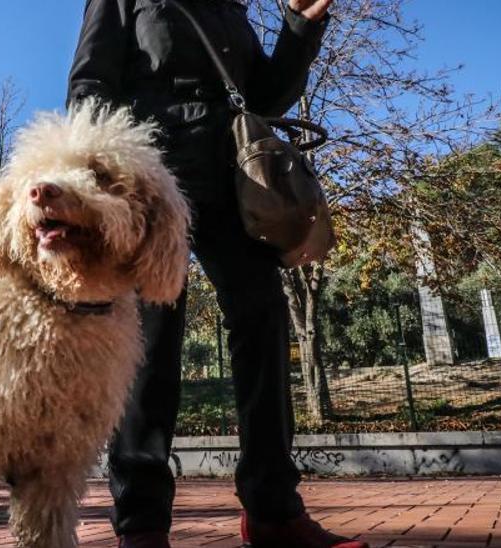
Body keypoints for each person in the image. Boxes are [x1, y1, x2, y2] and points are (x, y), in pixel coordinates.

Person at [67, 1, 367, 547]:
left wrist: (301, 24)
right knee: (152, 343)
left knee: (264, 315)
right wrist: (98, 184)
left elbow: (266, 96)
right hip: (151, 179)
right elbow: (88, 87)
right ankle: (142, 522)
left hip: (232, 180)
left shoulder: (228, 6)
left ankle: (273, 511)